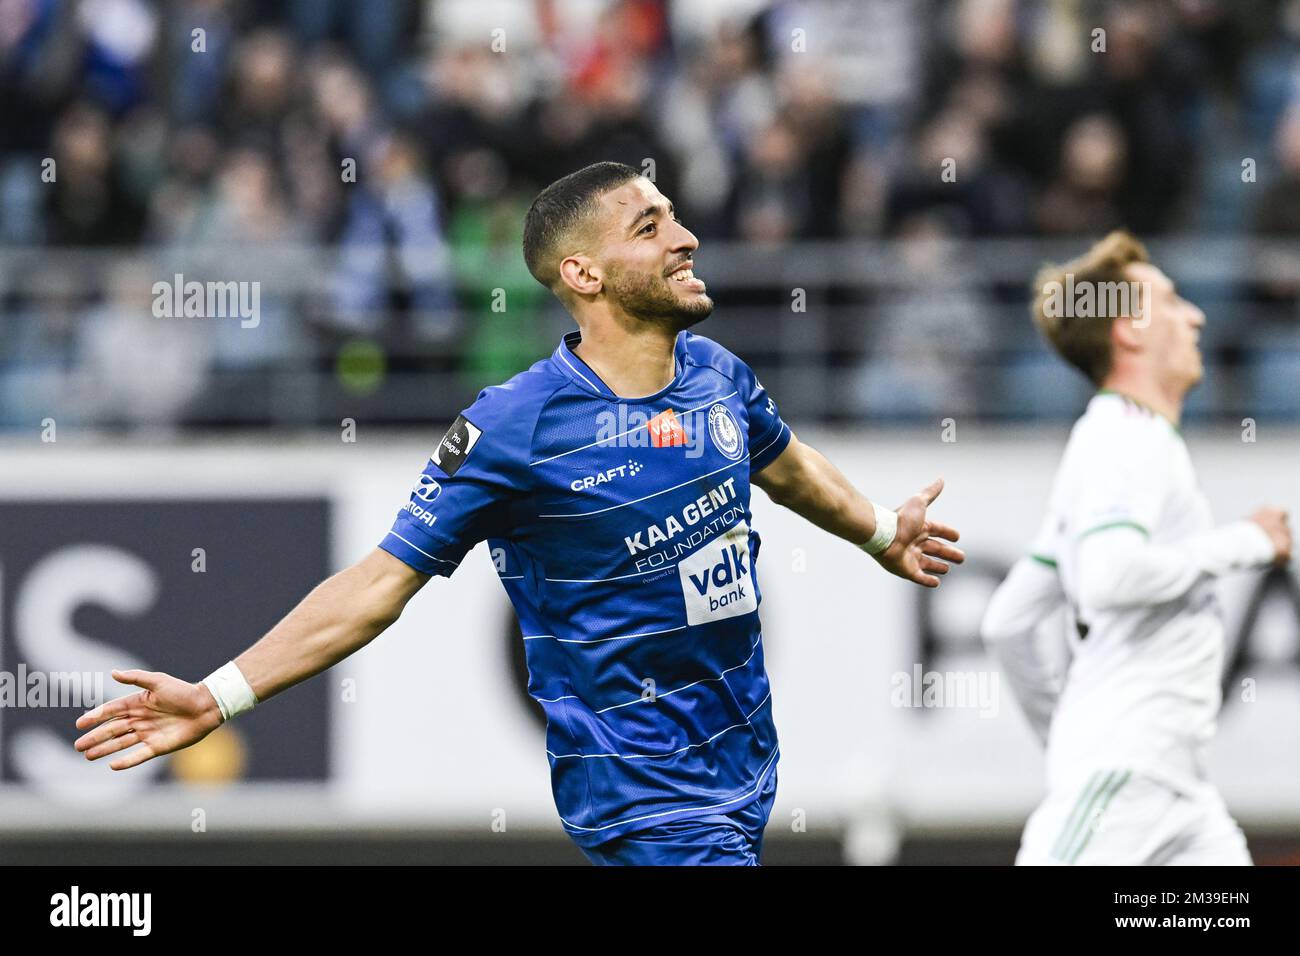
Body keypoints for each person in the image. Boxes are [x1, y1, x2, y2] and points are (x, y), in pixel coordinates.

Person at [74, 162, 964, 865]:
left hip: (742, 766)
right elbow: (379, 583)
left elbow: (787, 465)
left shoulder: (717, 375)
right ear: (583, 273)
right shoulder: (515, 426)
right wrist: (219, 695)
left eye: (676, 217)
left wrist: (882, 533)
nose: (687, 239)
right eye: (650, 228)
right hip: (641, 790)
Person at [981, 230, 1292, 865]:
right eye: (1174, 301)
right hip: (1126, 777)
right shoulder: (1128, 439)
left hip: (1178, 794)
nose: (1196, 315)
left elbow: (1007, 621)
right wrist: (1246, 541)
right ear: (1128, 330)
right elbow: (1110, 578)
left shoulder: (1114, 440)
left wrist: (1068, 740)